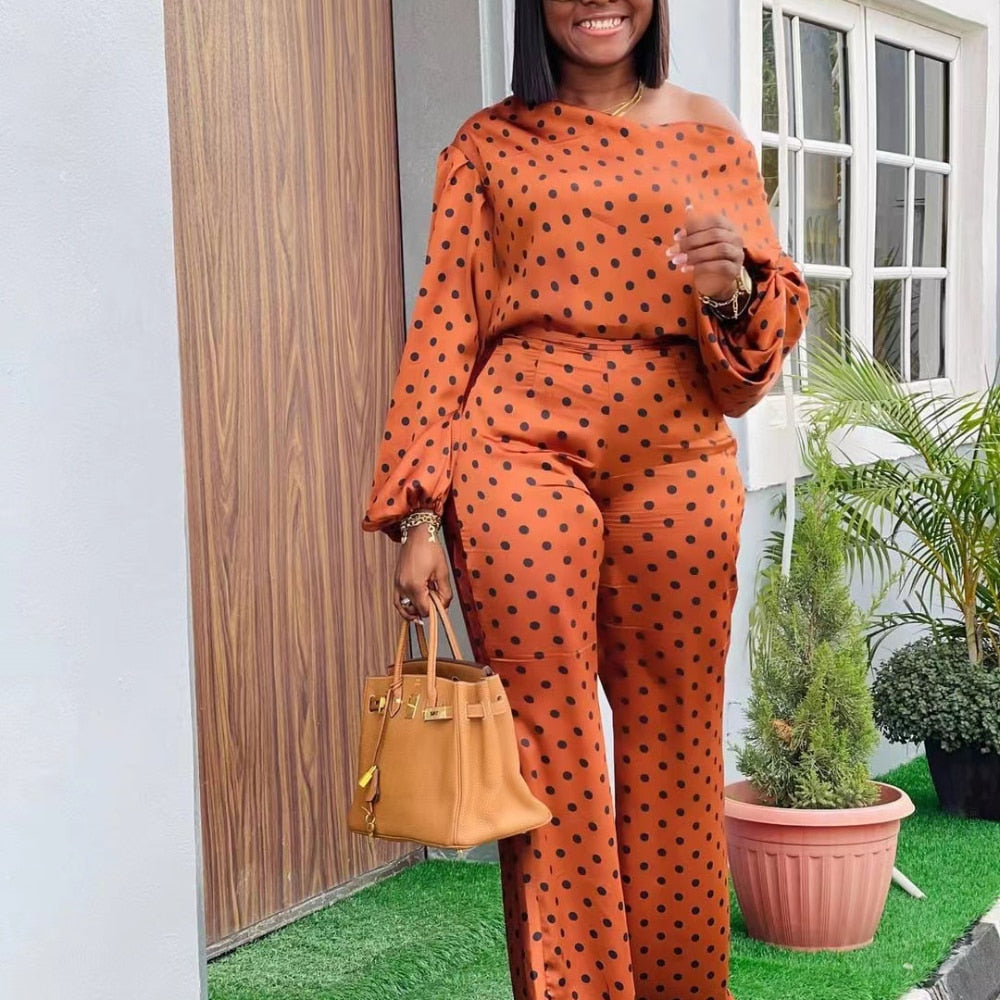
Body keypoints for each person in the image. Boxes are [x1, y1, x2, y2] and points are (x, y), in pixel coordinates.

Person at [362, 1, 809, 997]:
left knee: (676, 746)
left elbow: (748, 369)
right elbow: (443, 326)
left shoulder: (712, 134)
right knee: (546, 751)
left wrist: (733, 291)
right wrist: (419, 510)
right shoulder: (485, 145)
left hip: (677, 455)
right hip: (518, 455)